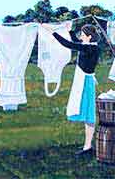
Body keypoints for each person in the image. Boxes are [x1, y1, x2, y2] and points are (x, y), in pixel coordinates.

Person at [42, 23, 101, 157]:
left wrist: (53, 32)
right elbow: (76, 42)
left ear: (89, 37)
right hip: (86, 81)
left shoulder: (89, 48)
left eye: (82, 34)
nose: (80, 36)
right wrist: (70, 30)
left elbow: (69, 44)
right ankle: (87, 146)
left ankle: (88, 147)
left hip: (86, 83)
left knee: (89, 114)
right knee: (88, 114)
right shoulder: (91, 47)